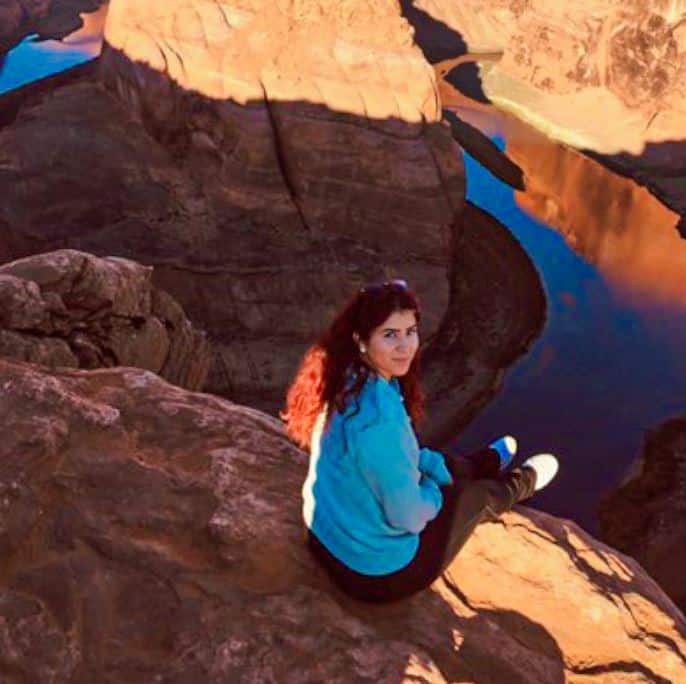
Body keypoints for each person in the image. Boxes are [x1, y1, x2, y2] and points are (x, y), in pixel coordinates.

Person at [280, 278, 559, 603]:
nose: (405, 346)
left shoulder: (345, 378)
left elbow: (400, 457)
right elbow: (409, 516)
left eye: (410, 332)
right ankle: (521, 482)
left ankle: (479, 463)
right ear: (362, 340)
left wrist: (437, 471)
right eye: (390, 335)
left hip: (323, 538)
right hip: (371, 575)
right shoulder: (380, 422)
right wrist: (436, 493)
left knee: (433, 461)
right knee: (474, 497)